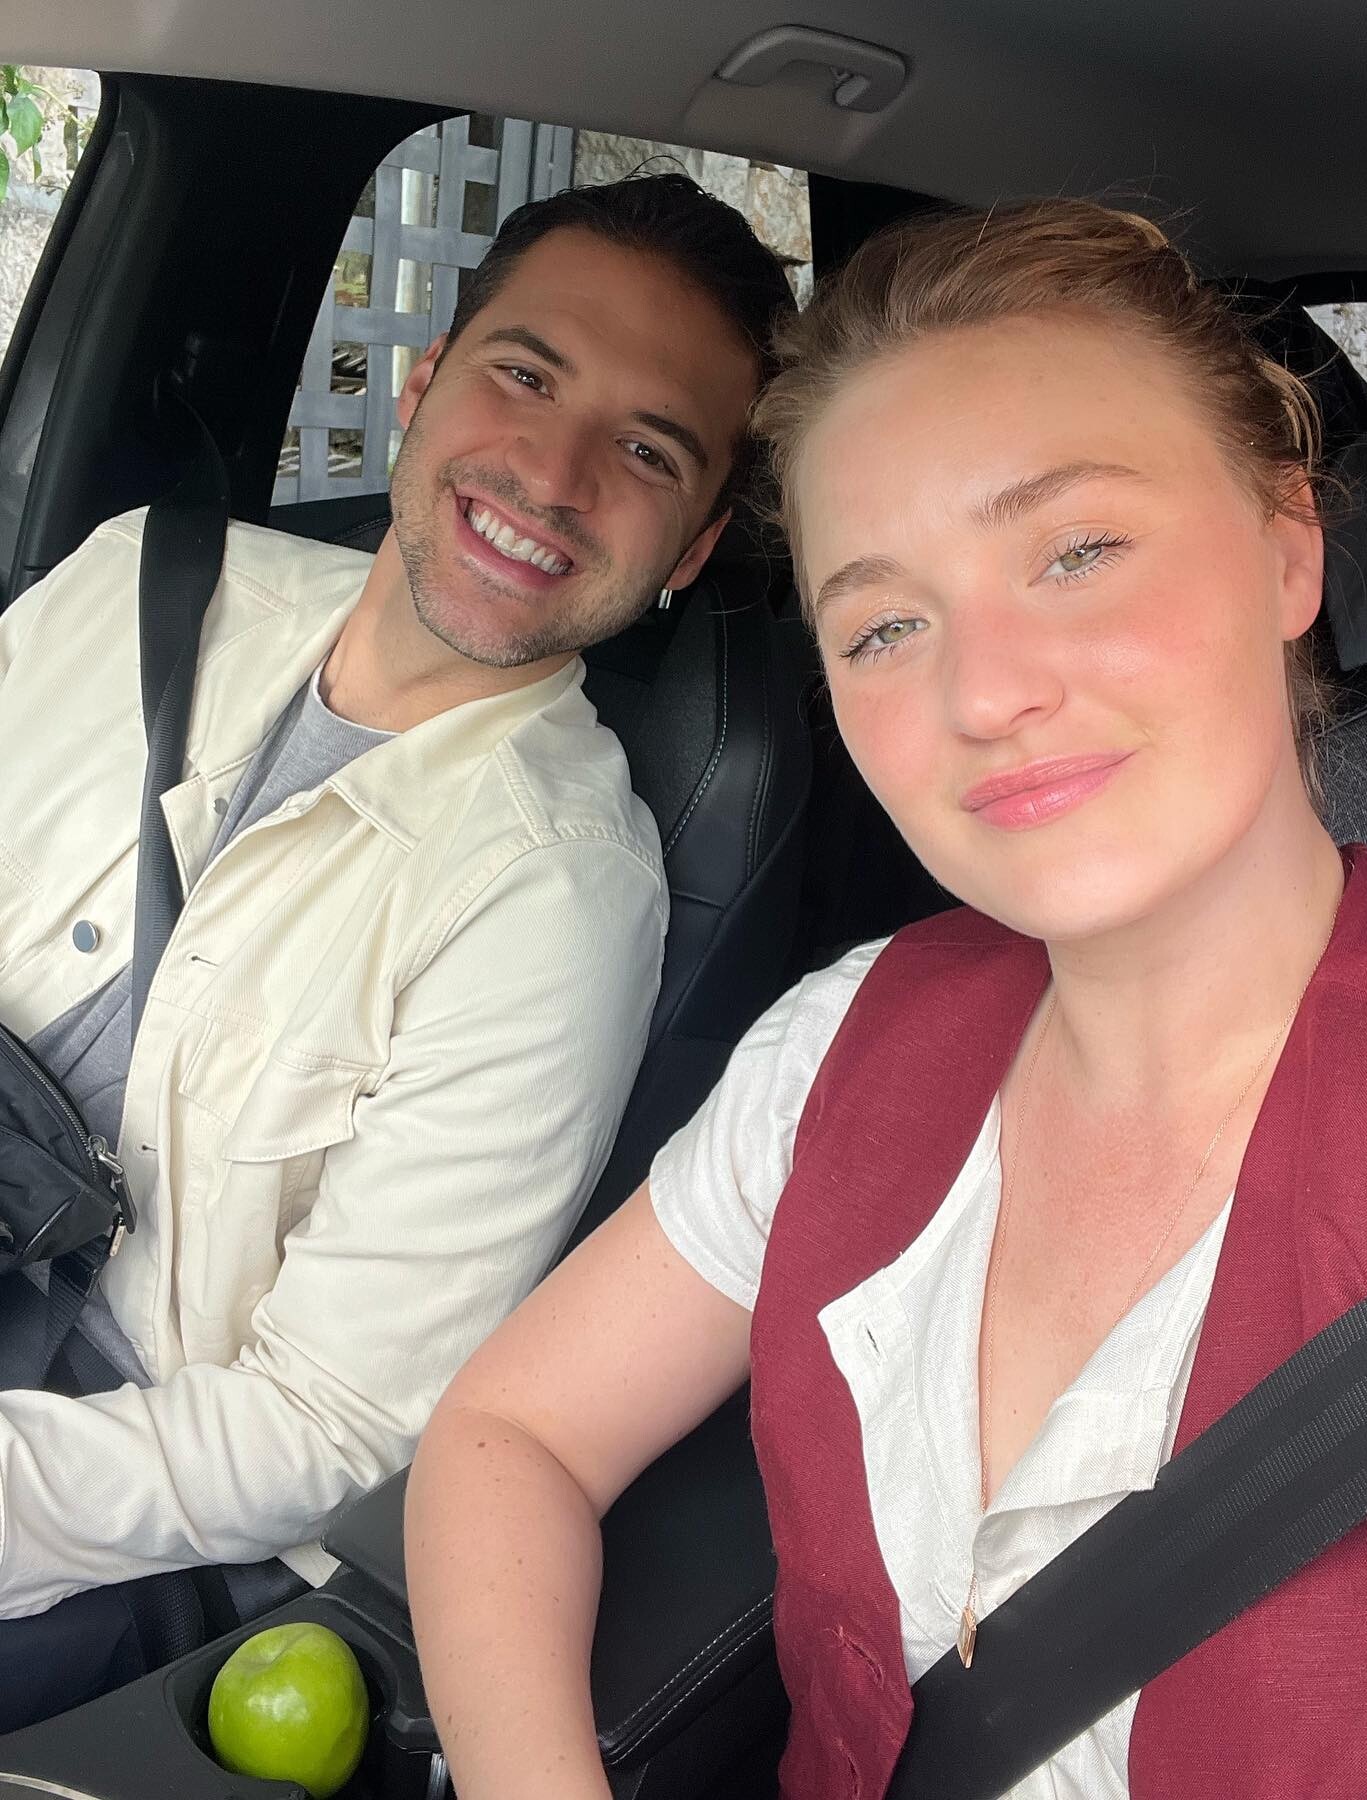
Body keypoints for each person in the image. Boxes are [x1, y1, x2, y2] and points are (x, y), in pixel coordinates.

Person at [405, 198, 1367, 1799]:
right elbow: (509, 1435)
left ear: (1288, 547)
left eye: (1078, 551)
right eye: (885, 623)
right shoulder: (843, 1046)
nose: (986, 691)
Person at [0, 171, 797, 1724]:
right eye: (526, 375)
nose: (553, 475)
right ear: (425, 385)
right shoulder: (135, 577)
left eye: (647, 451)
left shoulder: (557, 893)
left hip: (112, 1498)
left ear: (693, 549)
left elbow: (329, 1420)